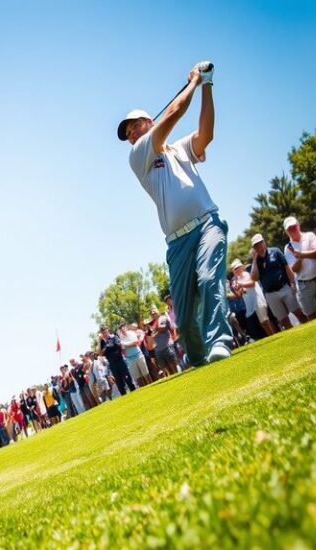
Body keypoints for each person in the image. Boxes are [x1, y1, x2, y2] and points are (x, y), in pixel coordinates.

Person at [119, 61, 233, 366]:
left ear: (147, 121)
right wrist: (193, 82)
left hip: (207, 223)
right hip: (177, 243)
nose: (131, 135)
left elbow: (205, 134)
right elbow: (172, 114)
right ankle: (198, 360)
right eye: (128, 133)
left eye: (134, 128)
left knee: (210, 279)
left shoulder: (179, 148)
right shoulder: (138, 155)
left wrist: (206, 85)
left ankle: (220, 341)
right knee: (183, 318)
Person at [283, 216, 316, 319]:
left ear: (298, 226)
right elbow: (294, 269)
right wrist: (299, 259)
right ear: (286, 231)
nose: (292, 230)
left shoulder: (309, 235)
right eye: (289, 228)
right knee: (310, 314)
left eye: (294, 226)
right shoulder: (288, 248)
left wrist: (301, 255)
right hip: (304, 283)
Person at [250, 233, 309, 330]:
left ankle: (309, 329)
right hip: (270, 294)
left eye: (260, 243)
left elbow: (287, 268)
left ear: (264, 242)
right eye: (255, 245)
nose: (258, 246)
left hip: (284, 288)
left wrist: (292, 284)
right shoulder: (255, 261)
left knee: (298, 312)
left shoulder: (275, 251)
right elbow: (254, 278)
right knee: (284, 320)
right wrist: (255, 260)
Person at [230, 259, 275, 338]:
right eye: (235, 269)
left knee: (265, 320)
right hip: (250, 303)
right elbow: (240, 295)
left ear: (242, 267)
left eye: (238, 267)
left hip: (257, 299)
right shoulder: (236, 280)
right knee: (262, 322)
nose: (237, 270)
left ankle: (273, 335)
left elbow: (252, 283)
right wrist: (235, 289)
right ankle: (272, 336)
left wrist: (240, 284)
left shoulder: (247, 274)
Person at [98, 325, 134, 394]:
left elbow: (120, 345)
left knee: (127, 378)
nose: (105, 334)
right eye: (103, 333)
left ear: (108, 331)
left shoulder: (114, 337)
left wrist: (107, 347)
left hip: (120, 360)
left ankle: (133, 390)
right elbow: (100, 354)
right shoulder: (102, 342)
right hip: (112, 364)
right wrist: (100, 342)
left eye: (105, 332)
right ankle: (124, 396)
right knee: (119, 382)